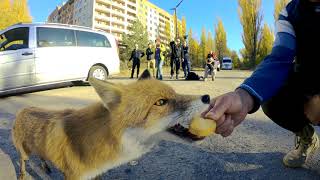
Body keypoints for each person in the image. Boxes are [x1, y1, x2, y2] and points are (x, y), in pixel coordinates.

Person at [202, 0, 320, 168]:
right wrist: (244, 97)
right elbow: (280, 57)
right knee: (272, 97)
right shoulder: (291, 12)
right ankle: (306, 136)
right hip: (308, 76)